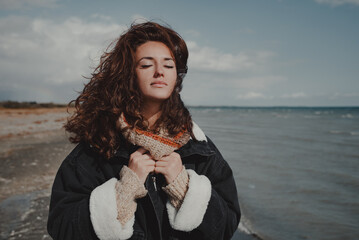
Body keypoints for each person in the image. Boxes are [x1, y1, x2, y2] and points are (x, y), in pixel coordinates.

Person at [47, 21, 240, 240]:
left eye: (168, 65)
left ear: (176, 76)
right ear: (128, 75)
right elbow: (61, 228)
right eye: (147, 65)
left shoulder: (199, 147)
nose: (160, 72)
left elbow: (227, 227)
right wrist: (124, 191)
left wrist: (185, 188)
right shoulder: (99, 144)